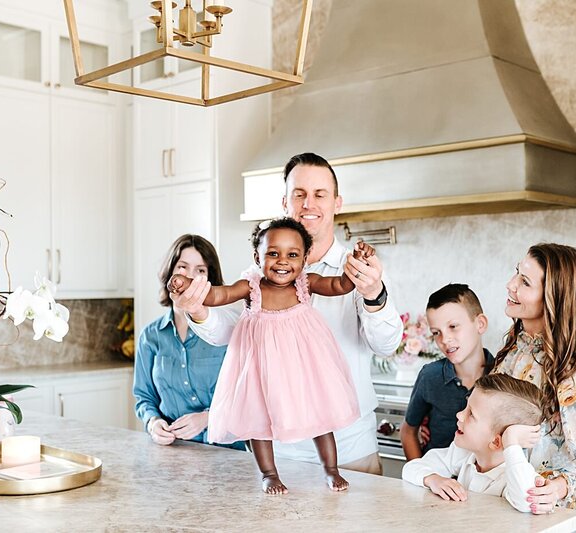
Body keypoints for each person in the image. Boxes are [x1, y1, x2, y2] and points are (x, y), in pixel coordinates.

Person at [170, 152, 403, 475]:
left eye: (320, 194)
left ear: (337, 203)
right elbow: (226, 332)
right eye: (299, 194)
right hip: (279, 447)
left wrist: (373, 294)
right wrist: (197, 308)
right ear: (285, 202)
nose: (309, 204)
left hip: (349, 445)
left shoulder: (358, 271)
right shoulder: (256, 274)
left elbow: (387, 344)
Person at [168, 218, 371, 494]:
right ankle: (269, 473)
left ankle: (331, 469)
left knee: (319, 415)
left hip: (305, 365)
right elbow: (218, 295)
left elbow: (340, 286)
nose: (282, 261)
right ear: (257, 257)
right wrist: (188, 285)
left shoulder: (306, 283)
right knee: (258, 421)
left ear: (305, 259)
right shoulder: (251, 287)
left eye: (292, 254)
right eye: (273, 253)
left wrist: (357, 265)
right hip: (263, 368)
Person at [496, 243, 576, 530]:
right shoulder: (514, 350)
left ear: (554, 299)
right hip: (502, 501)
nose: (510, 285)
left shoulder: (573, 375)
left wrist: (557, 488)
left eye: (525, 282)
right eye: (516, 274)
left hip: (541, 515)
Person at [133, 234, 244, 451]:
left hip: (226, 453)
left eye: (200, 271)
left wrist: (208, 418)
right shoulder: (151, 336)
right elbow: (144, 397)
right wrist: (153, 422)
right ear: (170, 272)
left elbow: (247, 395)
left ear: (210, 280)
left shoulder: (228, 330)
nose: (189, 277)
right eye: (182, 267)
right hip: (172, 453)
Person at [402, 373, 543, 513]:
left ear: (496, 441)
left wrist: (512, 440)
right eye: (466, 407)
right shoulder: (463, 454)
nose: (459, 414)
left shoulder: (513, 475)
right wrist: (432, 479)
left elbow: (526, 502)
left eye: (471, 414)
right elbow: (411, 467)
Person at [400, 284, 494, 461]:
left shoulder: (502, 376)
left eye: (453, 326)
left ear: (480, 324)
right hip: (435, 483)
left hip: (482, 485)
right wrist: (423, 475)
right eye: (436, 332)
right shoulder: (430, 376)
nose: (445, 339)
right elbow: (408, 432)